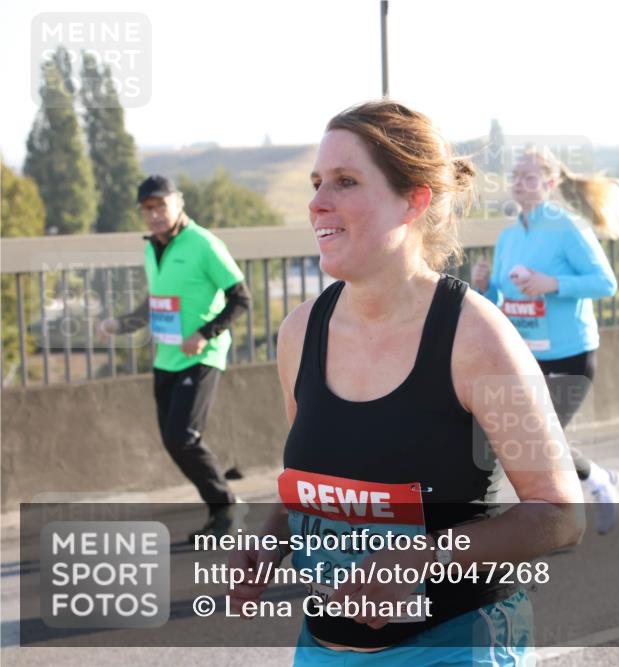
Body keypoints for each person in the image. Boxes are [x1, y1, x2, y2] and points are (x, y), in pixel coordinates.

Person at [228, 101, 584, 665]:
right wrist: (270, 542)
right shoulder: (300, 332)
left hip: (456, 645)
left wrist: (422, 559)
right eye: (317, 183)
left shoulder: (477, 337)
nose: (318, 202)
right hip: (323, 649)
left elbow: (560, 513)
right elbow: (314, 483)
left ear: (414, 200)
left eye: (346, 181)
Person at [471, 147, 619, 534]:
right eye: (516, 176)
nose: (520, 183)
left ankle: (593, 488)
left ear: (550, 183)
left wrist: (552, 283)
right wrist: (485, 287)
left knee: (543, 442)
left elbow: (605, 283)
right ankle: (591, 485)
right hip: (526, 354)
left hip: (571, 352)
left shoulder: (568, 227)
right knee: (527, 441)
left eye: (529, 177)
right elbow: (501, 300)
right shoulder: (508, 237)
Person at [99, 175, 251, 543]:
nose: (154, 214)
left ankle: (227, 508)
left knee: (183, 436)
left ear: (178, 202)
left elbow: (241, 298)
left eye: (160, 206)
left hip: (202, 356)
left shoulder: (203, 244)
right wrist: (122, 323)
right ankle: (221, 508)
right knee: (173, 440)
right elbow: (157, 303)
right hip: (166, 358)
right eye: (147, 208)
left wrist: (204, 334)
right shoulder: (152, 248)